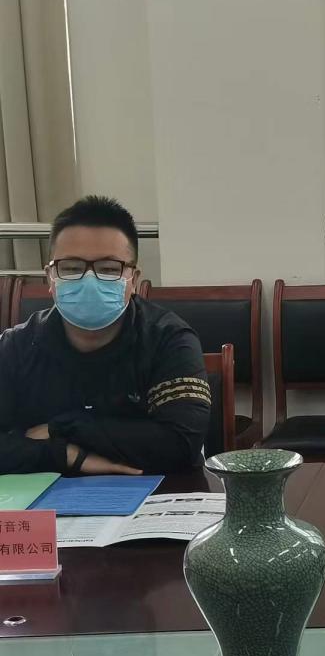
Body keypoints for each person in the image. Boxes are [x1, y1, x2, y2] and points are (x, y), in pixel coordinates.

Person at [0, 196, 211, 475]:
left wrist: (61, 428)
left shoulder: (168, 340)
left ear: (134, 280)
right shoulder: (15, 346)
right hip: (47, 494)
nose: (90, 280)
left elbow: (181, 444)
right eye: (71, 268)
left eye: (109, 269)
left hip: (157, 491)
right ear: (50, 277)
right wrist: (68, 455)